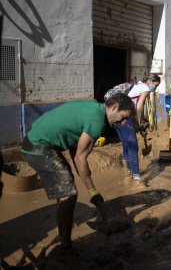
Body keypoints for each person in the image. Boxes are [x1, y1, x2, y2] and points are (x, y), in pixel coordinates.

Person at [21, 93, 134, 253]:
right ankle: (66, 247)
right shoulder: (97, 121)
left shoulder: (93, 108)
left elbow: (76, 152)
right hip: (38, 147)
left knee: (66, 185)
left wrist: (89, 187)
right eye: (123, 117)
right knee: (69, 192)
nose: (122, 123)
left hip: (35, 141)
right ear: (114, 107)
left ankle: (63, 232)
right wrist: (92, 191)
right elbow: (81, 159)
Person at [113, 73, 161, 181]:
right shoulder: (144, 88)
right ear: (150, 81)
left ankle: (128, 172)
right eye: (156, 85)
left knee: (126, 145)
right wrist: (141, 121)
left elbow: (132, 105)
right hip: (124, 117)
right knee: (133, 147)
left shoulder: (136, 85)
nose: (155, 88)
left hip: (114, 116)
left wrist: (135, 123)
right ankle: (137, 179)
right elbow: (139, 107)